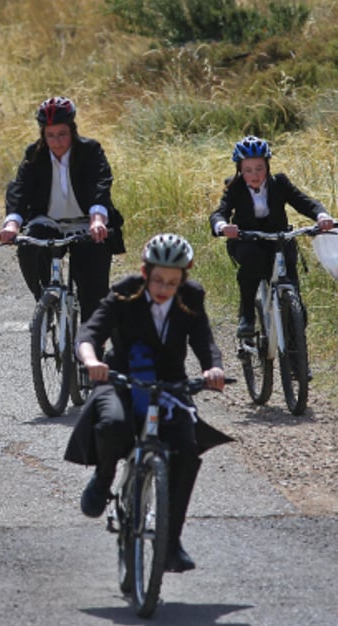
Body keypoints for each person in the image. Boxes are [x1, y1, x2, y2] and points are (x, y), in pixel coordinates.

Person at [65, 234, 231, 573]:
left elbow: (204, 340)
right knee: (113, 424)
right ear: (144, 271)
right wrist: (91, 360)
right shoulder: (126, 291)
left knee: (185, 449)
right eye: (157, 279)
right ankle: (104, 476)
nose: (164, 288)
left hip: (169, 383)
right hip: (122, 378)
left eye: (173, 281)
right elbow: (91, 332)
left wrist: (212, 368)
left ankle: (170, 544)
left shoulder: (191, 296)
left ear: (184, 276)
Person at [0, 96, 125, 322]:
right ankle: (44, 303)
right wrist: (12, 224)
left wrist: (97, 220)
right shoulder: (34, 155)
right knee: (29, 249)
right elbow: (19, 189)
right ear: (43, 135)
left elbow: (100, 184)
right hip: (48, 221)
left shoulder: (90, 151)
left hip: (86, 223)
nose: (57, 142)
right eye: (50, 135)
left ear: (72, 131)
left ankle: (90, 343)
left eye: (62, 134)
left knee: (92, 288)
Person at [209, 136, 335, 337]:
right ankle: (247, 317)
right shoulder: (235, 187)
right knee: (253, 261)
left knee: (296, 304)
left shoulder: (280, 183)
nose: (254, 174)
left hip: (279, 239)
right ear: (240, 170)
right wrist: (223, 226)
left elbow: (304, 202)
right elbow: (219, 212)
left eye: (259, 168)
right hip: (247, 240)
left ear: (267, 166)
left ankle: (298, 362)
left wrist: (322, 216)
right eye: (248, 170)